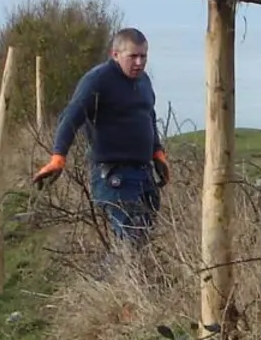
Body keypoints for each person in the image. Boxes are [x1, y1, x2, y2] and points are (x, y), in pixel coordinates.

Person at [33, 28, 170, 244]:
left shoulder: (144, 81)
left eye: (143, 56)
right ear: (115, 54)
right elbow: (71, 116)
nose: (139, 63)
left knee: (143, 240)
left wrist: (157, 153)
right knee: (132, 239)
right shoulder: (98, 80)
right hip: (114, 175)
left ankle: (116, 267)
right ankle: (113, 267)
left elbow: (148, 117)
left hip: (143, 174)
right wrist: (58, 157)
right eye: (133, 56)